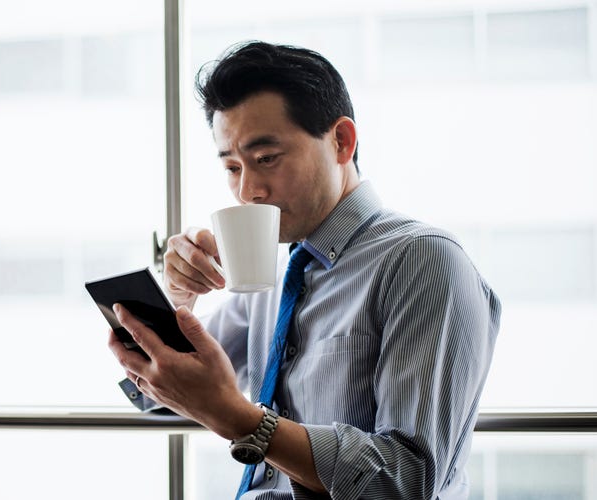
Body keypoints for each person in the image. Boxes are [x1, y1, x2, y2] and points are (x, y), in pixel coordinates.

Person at [108, 41, 500, 499]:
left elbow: (406, 481)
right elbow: (159, 400)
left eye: (266, 159)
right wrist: (179, 304)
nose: (248, 191)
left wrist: (240, 420)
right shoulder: (270, 277)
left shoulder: (423, 260)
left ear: (342, 141)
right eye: (232, 167)